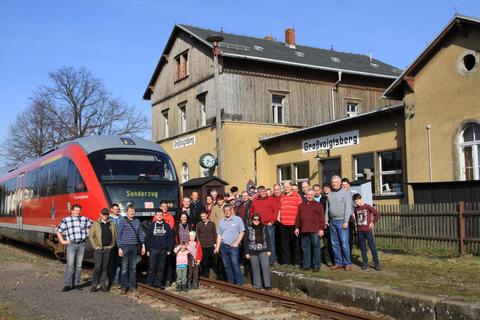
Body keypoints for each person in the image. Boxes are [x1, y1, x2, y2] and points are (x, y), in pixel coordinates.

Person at [56, 204, 92, 292]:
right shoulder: (66, 220)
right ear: (71, 211)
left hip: (82, 244)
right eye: (76, 210)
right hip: (71, 245)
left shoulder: (84, 219)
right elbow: (58, 231)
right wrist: (63, 241)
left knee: (79, 266)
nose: (78, 212)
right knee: (70, 266)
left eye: (79, 210)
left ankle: (76, 284)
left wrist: (89, 232)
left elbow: (94, 225)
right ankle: (67, 285)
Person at [117, 205, 145, 294]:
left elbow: (140, 234)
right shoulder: (122, 221)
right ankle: (123, 287)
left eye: (133, 211)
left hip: (134, 246)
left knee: (133, 268)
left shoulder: (137, 221)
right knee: (124, 268)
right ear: (127, 212)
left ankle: (132, 286)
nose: (132, 213)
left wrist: (143, 245)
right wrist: (119, 248)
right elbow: (119, 235)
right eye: (130, 211)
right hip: (125, 246)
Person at [295, 190, 325, 272]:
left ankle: (316, 265)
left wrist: (321, 229)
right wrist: (297, 227)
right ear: (305, 195)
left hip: (315, 230)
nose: (309, 196)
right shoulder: (301, 205)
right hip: (304, 230)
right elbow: (298, 217)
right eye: (308, 194)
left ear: (314, 195)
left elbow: (322, 218)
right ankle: (306, 265)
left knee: (316, 248)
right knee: (305, 248)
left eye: (311, 195)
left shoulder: (318, 205)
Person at [327, 176, 353, 271]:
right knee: (334, 243)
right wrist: (326, 219)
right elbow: (327, 208)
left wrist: (346, 221)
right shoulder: (330, 194)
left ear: (339, 183)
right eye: (332, 182)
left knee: (344, 243)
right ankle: (338, 263)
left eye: (336, 182)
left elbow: (348, 208)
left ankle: (347, 263)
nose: (334, 184)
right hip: (332, 221)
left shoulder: (345, 193)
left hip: (342, 221)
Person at [215, 204, 245, 285]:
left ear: (231, 210)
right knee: (226, 265)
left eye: (228, 210)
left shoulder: (237, 219)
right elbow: (219, 235)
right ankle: (230, 282)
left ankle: (239, 283)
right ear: (224, 212)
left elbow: (242, 232)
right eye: (225, 211)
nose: (227, 212)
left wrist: (237, 243)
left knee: (235, 264)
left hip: (233, 247)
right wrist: (217, 247)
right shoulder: (221, 222)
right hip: (223, 246)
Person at [89, 208, 117, 292]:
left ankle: (103, 284)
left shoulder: (111, 224)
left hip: (107, 249)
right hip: (98, 249)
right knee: (97, 267)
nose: (105, 215)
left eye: (106, 214)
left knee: (105, 267)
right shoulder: (95, 224)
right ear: (100, 214)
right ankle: (94, 284)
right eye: (104, 214)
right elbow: (91, 236)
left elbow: (114, 235)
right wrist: (95, 246)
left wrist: (111, 245)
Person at [145, 209, 174, 289]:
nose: (159, 216)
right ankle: (150, 282)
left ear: (162, 215)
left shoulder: (167, 226)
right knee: (152, 266)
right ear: (155, 216)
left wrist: (169, 249)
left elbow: (170, 238)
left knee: (161, 267)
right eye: (158, 215)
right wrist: (147, 250)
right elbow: (147, 238)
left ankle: (158, 282)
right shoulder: (151, 226)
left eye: (161, 215)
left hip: (163, 249)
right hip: (153, 249)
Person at [353, 193, 381, 271]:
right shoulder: (355, 209)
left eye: (357, 201)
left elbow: (378, 214)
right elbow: (355, 218)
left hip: (368, 231)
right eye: (355, 202)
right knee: (363, 248)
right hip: (359, 231)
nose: (356, 203)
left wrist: (372, 222)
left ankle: (376, 264)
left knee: (372, 247)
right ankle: (365, 263)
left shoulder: (367, 206)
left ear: (361, 199)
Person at [244, 213, 272, 290]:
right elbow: (246, 241)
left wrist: (269, 250)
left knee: (265, 266)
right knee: (255, 268)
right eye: (254, 219)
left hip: (262, 250)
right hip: (252, 251)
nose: (256, 221)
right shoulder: (249, 228)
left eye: (258, 219)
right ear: (252, 220)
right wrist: (247, 252)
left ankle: (267, 284)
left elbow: (268, 239)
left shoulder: (264, 227)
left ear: (260, 220)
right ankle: (257, 285)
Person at [277, 181, 303, 266]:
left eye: (287, 187)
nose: (286, 188)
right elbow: (280, 208)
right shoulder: (282, 196)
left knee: (295, 244)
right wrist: (278, 216)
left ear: (291, 187)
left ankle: (296, 262)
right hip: (283, 224)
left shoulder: (297, 196)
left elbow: (300, 210)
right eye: (284, 187)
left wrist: (298, 224)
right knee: (284, 244)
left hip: (293, 224)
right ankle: (286, 262)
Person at [251, 186, 277, 266]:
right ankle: (262, 260)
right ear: (258, 193)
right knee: (261, 243)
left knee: (270, 243)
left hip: (268, 225)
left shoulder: (271, 199)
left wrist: (272, 221)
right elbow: (251, 212)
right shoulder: (255, 201)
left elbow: (275, 210)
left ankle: (271, 260)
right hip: (259, 226)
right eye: (261, 191)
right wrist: (254, 221)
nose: (263, 193)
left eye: (264, 191)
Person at [154, 201, 176, 287]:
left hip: (167, 243)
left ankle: (168, 279)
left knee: (168, 262)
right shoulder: (156, 217)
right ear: (160, 207)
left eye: (165, 206)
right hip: (158, 244)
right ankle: (159, 280)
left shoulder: (170, 217)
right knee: (159, 263)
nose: (164, 208)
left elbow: (169, 229)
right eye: (163, 206)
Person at [196, 211, 219, 279]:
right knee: (204, 263)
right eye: (202, 217)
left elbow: (215, 234)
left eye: (204, 216)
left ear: (207, 216)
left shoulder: (212, 224)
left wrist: (215, 244)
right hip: (203, 246)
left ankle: (219, 277)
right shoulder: (199, 224)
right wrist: (199, 244)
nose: (203, 218)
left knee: (215, 262)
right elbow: (197, 235)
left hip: (211, 245)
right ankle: (206, 278)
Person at [107, 203, 122, 289]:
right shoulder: (108, 219)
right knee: (110, 263)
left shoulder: (122, 218)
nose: (117, 210)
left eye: (118, 209)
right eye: (115, 209)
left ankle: (116, 280)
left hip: (119, 243)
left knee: (118, 263)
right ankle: (110, 280)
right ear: (111, 209)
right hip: (110, 244)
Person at [341, 178, 357, 257]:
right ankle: (342, 255)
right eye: (342, 185)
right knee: (342, 238)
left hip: (350, 218)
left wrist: (354, 213)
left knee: (349, 238)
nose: (344, 187)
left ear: (349, 186)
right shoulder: (339, 194)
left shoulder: (352, 195)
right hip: (341, 218)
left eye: (345, 185)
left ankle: (349, 255)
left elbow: (355, 206)